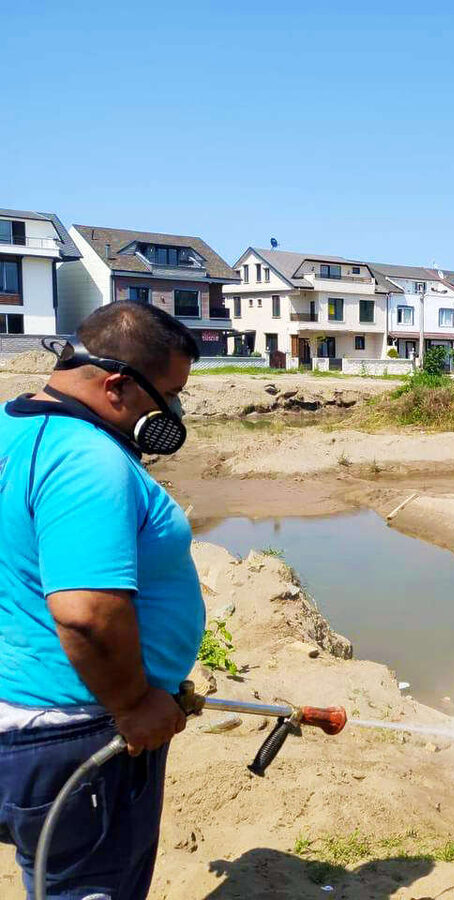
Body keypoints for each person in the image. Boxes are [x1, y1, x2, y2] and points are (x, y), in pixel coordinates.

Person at [0, 301, 205, 899]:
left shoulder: (13, 430)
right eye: (168, 394)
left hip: (23, 720)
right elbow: (87, 614)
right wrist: (137, 702)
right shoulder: (87, 460)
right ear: (116, 385)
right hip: (76, 734)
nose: (173, 411)